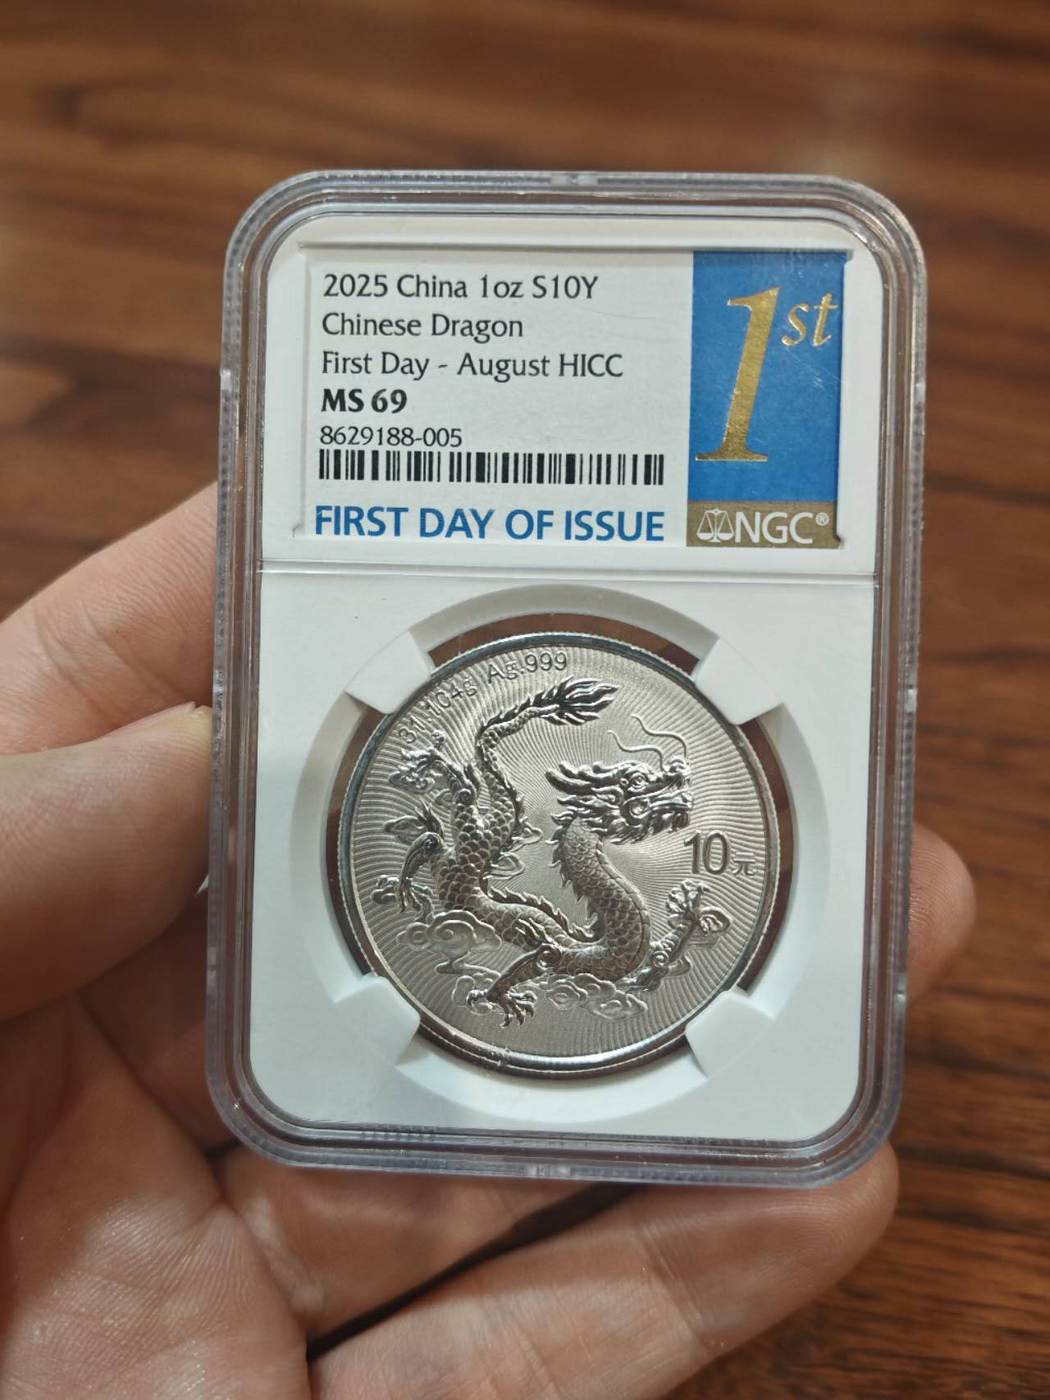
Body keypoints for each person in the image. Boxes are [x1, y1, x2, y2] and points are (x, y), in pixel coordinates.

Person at [0, 488, 975, 1399]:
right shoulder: (533, 852)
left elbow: (594, 938)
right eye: (638, 798)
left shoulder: (566, 879)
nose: (650, 805)